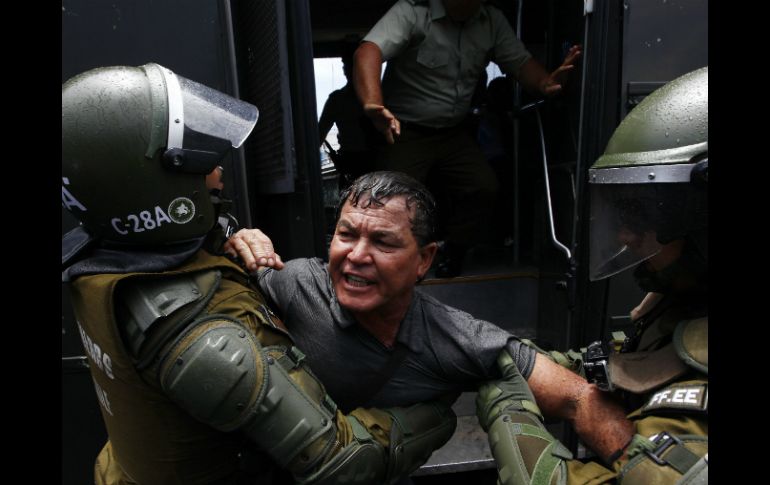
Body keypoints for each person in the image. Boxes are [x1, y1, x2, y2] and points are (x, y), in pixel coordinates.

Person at [61, 63, 458, 485]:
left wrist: (227, 239)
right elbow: (345, 465)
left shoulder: (102, 256)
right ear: (156, 188)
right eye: (203, 162)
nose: (219, 170)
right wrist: (438, 412)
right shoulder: (204, 339)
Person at [226, 170, 635, 483]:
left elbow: (576, 397)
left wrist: (643, 468)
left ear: (424, 260)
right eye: (346, 235)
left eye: (384, 243)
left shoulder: (455, 339)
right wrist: (236, 241)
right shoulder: (295, 282)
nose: (356, 256)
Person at [525, 67, 709, 483]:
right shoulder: (682, 299)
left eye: (647, 213)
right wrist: (521, 358)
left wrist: (506, 410)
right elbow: (647, 359)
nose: (625, 235)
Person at [353, 0, 582, 277]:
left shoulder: (491, 21)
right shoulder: (412, 12)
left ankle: (454, 250)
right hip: (405, 130)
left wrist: (545, 82)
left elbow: (520, 63)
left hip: (454, 131)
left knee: (482, 187)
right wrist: (372, 104)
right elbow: (368, 50)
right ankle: (390, 267)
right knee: (391, 201)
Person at [318, 45, 379, 189]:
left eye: (351, 66)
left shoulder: (338, 99)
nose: (347, 70)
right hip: (354, 162)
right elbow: (319, 135)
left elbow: (319, 134)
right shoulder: (337, 99)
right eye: (346, 66)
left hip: (372, 161)